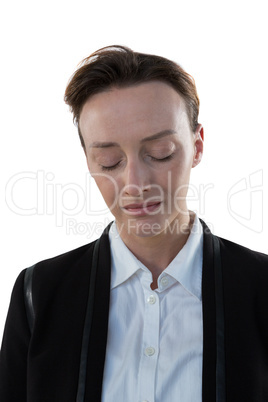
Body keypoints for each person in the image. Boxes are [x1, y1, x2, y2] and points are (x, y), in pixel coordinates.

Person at [0, 45, 268, 402]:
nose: (135, 183)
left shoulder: (262, 290)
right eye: (109, 161)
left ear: (197, 145)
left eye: (160, 153)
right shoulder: (39, 293)